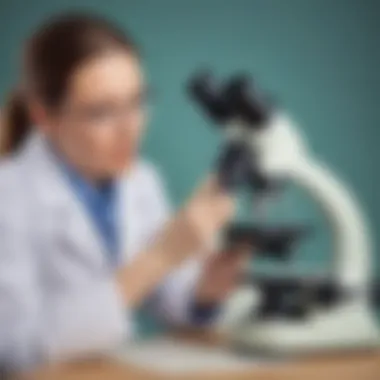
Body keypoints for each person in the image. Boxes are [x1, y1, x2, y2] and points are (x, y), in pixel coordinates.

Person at [0, 12, 250, 372]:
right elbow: (14, 349)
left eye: (138, 101)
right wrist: (163, 253)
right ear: (44, 116)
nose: (130, 128)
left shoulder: (141, 180)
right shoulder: (10, 192)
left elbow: (167, 297)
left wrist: (207, 288)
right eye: (102, 112)